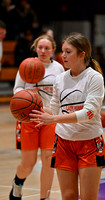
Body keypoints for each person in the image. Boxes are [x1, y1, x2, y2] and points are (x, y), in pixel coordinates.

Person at [30, 32, 105, 200]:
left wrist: (54, 119)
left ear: (82, 54)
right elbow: (55, 109)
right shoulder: (60, 79)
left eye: (68, 52)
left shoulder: (94, 78)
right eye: (62, 51)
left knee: (88, 197)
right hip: (64, 142)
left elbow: (88, 113)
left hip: (89, 142)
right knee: (69, 196)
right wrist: (36, 111)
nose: (62, 55)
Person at [9, 34, 64, 200]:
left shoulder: (59, 69)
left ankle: (44, 198)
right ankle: (18, 183)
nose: (43, 50)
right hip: (29, 118)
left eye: (47, 48)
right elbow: (17, 89)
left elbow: (60, 95)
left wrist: (56, 114)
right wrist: (26, 97)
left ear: (53, 50)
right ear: (35, 48)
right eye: (40, 47)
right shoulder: (27, 65)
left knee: (48, 160)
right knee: (28, 164)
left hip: (49, 118)